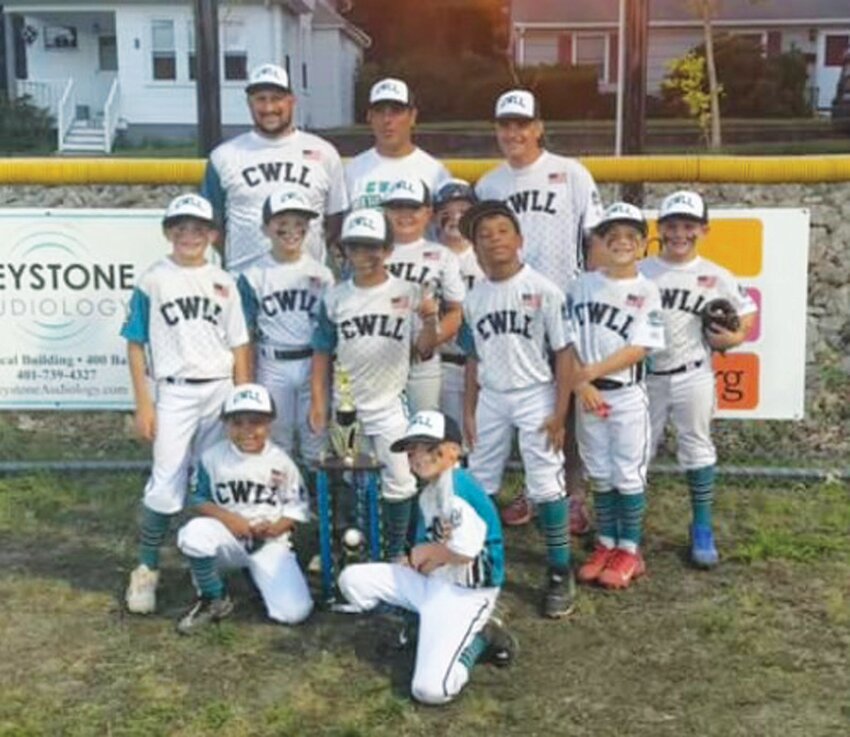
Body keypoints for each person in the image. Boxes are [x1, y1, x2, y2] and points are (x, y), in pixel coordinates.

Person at [475, 88, 604, 530]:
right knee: (520, 405)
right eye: (505, 124)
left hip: (562, 304)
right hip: (511, 311)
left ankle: (573, 495)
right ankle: (533, 492)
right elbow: (482, 246)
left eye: (522, 123)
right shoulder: (489, 184)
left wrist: (591, 298)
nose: (514, 132)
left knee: (563, 407)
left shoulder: (571, 173)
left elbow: (596, 242)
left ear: (539, 127)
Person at [122, 193, 251, 614]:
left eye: (199, 229)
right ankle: (146, 568)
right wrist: (144, 404)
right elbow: (136, 344)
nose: (190, 235)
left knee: (213, 474)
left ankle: (204, 563)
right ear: (168, 232)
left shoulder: (224, 281)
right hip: (174, 389)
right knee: (166, 481)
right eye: (181, 228)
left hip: (219, 386)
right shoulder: (153, 278)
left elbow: (239, 344)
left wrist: (244, 398)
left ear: (212, 234)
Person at [338, 410, 514, 705]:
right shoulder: (429, 494)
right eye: (411, 450)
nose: (418, 456)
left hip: (464, 595)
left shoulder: (458, 486)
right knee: (353, 580)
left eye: (428, 447)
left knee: (432, 690)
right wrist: (413, 561)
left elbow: (464, 551)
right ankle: (420, 625)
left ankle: (482, 637)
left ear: (454, 450)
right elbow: (427, 549)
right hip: (433, 584)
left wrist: (422, 554)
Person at [458, 200, 575, 619]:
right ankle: (483, 560)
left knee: (544, 482)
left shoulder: (545, 290)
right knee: (481, 479)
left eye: (502, 231)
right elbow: (473, 358)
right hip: (491, 395)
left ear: (520, 239)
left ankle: (560, 572)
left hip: (534, 392)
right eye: (483, 235)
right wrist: (469, 410)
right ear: (473, 248)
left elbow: (564, 354)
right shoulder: (474, 298)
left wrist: (560, 413)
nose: (494, 240)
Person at [309, 208, 438, 560]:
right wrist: (319, 403)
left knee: (400, 480)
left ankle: (397, 551)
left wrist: (430, 323)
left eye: (373, 247)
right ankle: (352, 546)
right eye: (356, 247)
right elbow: (322, 353)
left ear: (388, 249)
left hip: (389, 404)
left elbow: (424, 351)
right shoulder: (335, 297)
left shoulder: (408, 292)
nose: (365, 256)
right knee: (349, 479)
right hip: (347, 407)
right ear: (344, 251)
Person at [639, 190, 757, 568]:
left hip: (693, 372)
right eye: (672, 225)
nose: (679, 233)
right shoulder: (642, 271)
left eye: (688, 226)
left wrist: (735, 337)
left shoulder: (716, 274)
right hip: (646, 376)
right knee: (637, 451)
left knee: (697, 447)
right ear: (660, 228)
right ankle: (630, 529)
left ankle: (702, 526)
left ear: (703, 230)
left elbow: (746, 313)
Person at [564, 203, 665, 590]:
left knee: (627, 472)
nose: (621, 243)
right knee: (600, 473)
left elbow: (641, 347)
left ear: (642, 244)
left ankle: (630, 548)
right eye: (612, 237)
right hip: (587, 394)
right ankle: (606, 543)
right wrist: (580, 383)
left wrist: (591, 373)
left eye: (630, 237)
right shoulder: (583, 284)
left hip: (625, 393)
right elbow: (566, 340)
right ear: (600, 242)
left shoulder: (646, 290)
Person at [174, 383, 313, 633]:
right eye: (237, 423)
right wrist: (228, 519)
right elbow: (198, 498)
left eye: (256, 422)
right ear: (226, 424)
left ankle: (256, 576)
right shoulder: (212, 457)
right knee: (194, 534)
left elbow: (297, 508)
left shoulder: (282, 462)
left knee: (294, 613)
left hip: (269, 542)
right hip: (229, 538)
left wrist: (275, 528)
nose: (247, 431)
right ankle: (213, 597)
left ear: (269, 423)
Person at [201, 63, 349, 272]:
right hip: (245, 283)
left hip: (308, 284)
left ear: (292, 101)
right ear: (249, 103)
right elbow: (212, 222)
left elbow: (334, 222)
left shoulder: (324, 153)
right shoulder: (223, 156)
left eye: (276, 98)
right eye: (260, 99)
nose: (269, 108)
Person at [237, 190, 335, 466]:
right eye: (282, 222)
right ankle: (279, 503)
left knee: (316, 435)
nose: (292, 230)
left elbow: (327, 335)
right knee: (275, 439)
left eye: (299, 223)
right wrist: (245, 380)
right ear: (265, 227)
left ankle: (316, 506)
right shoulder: (253, 275)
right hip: (272, 362)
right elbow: (245, 335)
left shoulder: (322, 274)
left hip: (311, 362)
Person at [382, 178, 465, 414]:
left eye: (413, 208)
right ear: (385, 212)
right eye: (397, 208)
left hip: (423, 358)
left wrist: (427, 343)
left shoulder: (441, 254)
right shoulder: (371, 249)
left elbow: (456, 311)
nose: (405, 215)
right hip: (379, 355)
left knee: (424, 429)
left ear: (428, 213)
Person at [345, 77, 451, 210]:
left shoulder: (435, 172)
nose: (387, 120)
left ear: (412, 116)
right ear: (369, 117)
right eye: (379, 111)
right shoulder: (351, 171)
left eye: (396, 111)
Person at [431, 179, 485, 433]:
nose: (455, 219)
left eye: (463, 212)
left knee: (472, 442)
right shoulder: (427, 257)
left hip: (477, 363)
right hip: (436, 359)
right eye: (447, 213)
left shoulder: (485, 258)